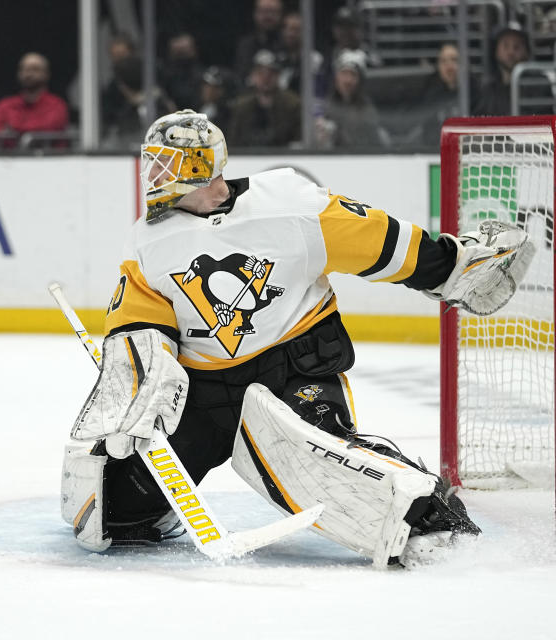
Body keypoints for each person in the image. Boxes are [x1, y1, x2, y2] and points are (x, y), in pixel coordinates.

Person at [61, 109, 533, 568]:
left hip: (293, 367)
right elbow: (139, 325)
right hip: (203, 394)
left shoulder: (287, 203)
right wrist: (137, 387)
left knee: (313, 454)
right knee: (117, 510)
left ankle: (431, 515)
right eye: (154, 163)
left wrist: (447, 266)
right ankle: (150, 514)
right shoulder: (147, 241)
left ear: (202, 168)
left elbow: (376, 240)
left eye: (169, 164)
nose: (156, 175)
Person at [0, 52, 69, 147]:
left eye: (35, 69)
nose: (29, 74)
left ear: (46, 74)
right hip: (9, 159)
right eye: (24, 69)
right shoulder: (5, 105)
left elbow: (49, 131)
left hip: (48, 159)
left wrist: (12, 131)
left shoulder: (57, 105)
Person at [226, 49, 300, 147]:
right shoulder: (241, 107)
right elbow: (233, 141)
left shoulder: (292, 105)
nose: (266, 78)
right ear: (252, 76)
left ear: (278, 76)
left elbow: (298, 140)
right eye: (260, 73)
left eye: (271, 73)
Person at [318, 49, 388, 149]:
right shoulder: (326, 107)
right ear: (336, 77)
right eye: (344, 73)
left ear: (360, 81)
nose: (347, 80)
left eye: (353, 75)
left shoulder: (367, 110)